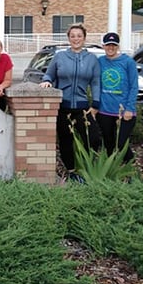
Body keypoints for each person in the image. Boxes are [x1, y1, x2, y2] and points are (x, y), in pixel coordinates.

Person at [40, 23, 101, 177]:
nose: (76, 39)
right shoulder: (60, 56)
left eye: (79, 36)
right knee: (65, 139)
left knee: (93, 138)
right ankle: (71, 171)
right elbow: (49, 74)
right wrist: (47, 81)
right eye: (72, 36)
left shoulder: (92, 59)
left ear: (84, 38)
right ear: (69, 38)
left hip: (82, 107)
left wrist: (96, 104)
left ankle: (87, 167)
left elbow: (95, 82)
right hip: (63, 106)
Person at [97, 32, 138, 163]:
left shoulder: (128, 62)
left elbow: (134, 86)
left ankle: (131, 171)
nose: (111, 48)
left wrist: (129, 108)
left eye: (113, 45)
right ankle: (112, 172)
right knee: (108, 144)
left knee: (121, 144)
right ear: (103, 46)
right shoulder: (100, 62)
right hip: (104, 111)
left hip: (123, 111)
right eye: (108, 45)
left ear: (118, 46)